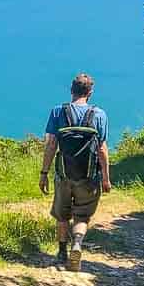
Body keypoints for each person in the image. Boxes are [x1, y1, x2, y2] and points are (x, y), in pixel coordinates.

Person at [39, 73, 111, 271]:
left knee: (62, 215)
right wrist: (105, 178)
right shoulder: (99, 114)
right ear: (90, 93)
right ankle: (77, 245)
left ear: (71, 90)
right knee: (82, 217)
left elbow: (51, 145)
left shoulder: (57, 112)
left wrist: (44, 173)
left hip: (63, 175)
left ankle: (61, 253)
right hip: (89, 176)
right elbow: (102, 149)